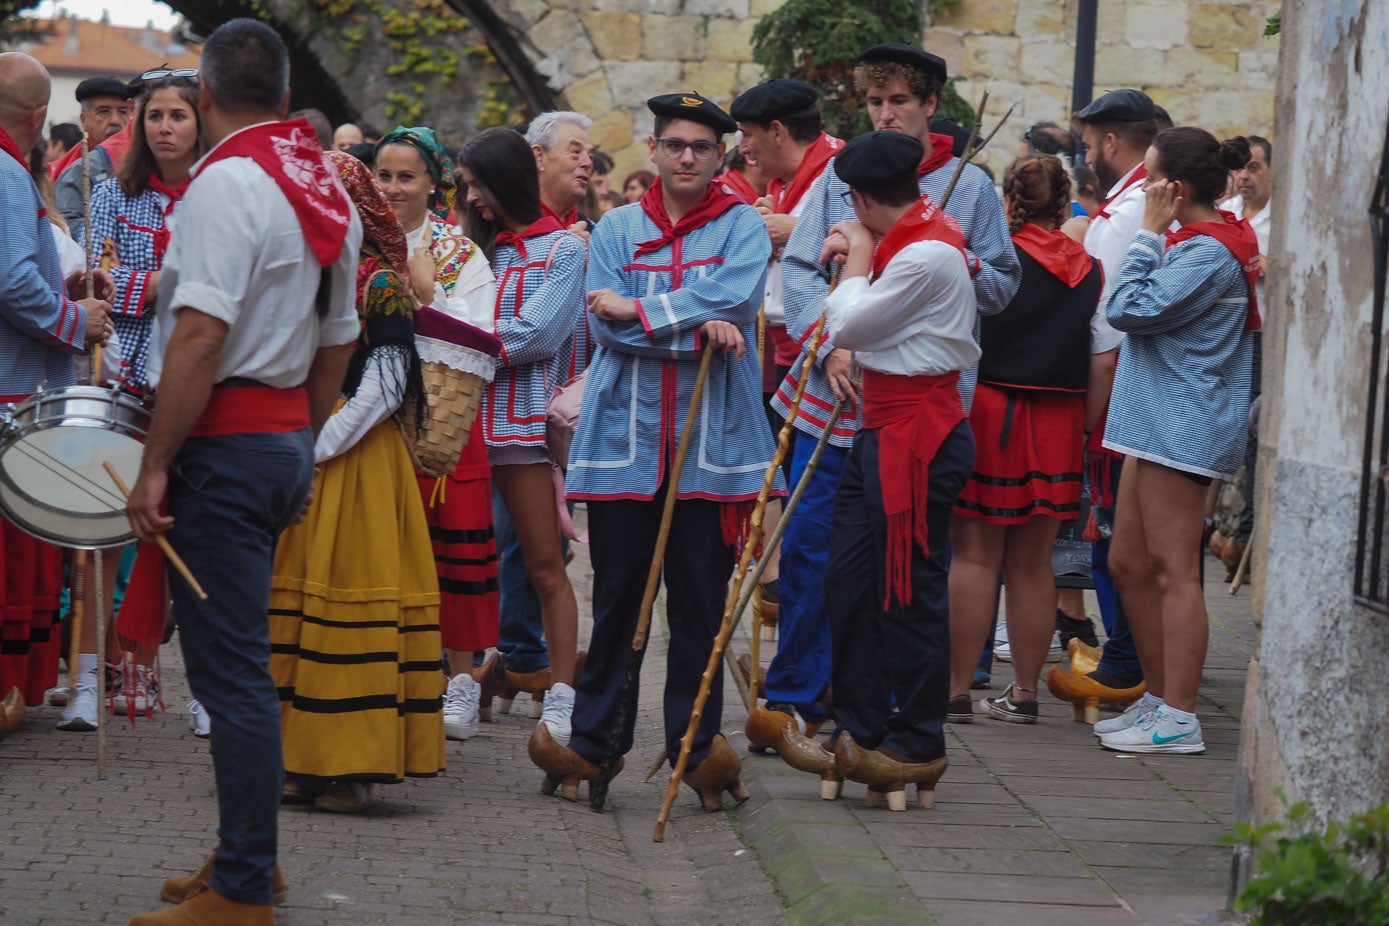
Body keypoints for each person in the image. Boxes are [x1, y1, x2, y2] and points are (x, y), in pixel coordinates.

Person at [123, 19, 362, 925]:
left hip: (224, 443)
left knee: (230, 678)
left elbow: (199, 334)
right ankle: (241, 858)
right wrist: (299, 440)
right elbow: (338, 340)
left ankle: (243, 887)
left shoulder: (228, 183)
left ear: (210, 96)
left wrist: (155, 466)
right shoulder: (317, 178)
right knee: (239, 664)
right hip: (277, 436)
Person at [529, 92, 775, 808]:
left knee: (699, 608)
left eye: (702, 146)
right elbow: (601, 327)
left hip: (711, 446)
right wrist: (693, 326)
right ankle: (595, 743)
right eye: (676, 144)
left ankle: (693, 746)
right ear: (653, 148)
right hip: (624, 444)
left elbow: (730, 298)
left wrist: (639, 308)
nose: (688, 157)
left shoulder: (741, 229)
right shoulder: (614, 229)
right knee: (617, 605)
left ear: (720, 154)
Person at [772, 42, 1019, 744]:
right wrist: (831, 345)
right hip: (838, 389)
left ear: (929, 105)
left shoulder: (964, 189)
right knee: (821, 554)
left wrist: (948, 261)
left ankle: (907, 722)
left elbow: (999, 286)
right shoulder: (843, 174)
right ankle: (809, 697)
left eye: (898, 102)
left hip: (920, 404)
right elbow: (801, 269)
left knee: (903, 575)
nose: (884, 114)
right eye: (874, 102)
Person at [782, 130, 976, 810]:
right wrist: (860, 265)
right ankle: (862, 726)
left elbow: (847, 331)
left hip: (917, 434)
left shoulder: (927, 253)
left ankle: (918, 738)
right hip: (877, 429)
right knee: (849, 583)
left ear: (860, 199)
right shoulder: (910, 242)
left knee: (908, 589)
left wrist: (856, 259)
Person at [271, 150, 443, 813]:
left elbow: (389, 381)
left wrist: (317, 445)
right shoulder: (297, 275)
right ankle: (293, 757)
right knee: (292, 601)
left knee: (348, 599)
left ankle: (349, 765)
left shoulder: (381, 282)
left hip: (357, 456)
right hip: (301, 443)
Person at [1098, 128, 1259, 756]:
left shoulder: (1209, 252)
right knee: (1127, 564)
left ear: (1176, 189)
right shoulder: (1196, 241)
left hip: (1183, 427)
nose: (1140, 188)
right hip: (1154, 424)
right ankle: (1160, 700)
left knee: (1172, 571)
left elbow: (1129, 308)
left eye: (1150, 177)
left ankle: (1180, 716)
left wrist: (1143, 234)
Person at [945, 155, 1115, 724]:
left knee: (973, 556)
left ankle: (954, 691)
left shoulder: (994, 262)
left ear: (1009, 204)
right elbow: (1102, 360)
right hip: (1059, 419)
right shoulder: (1091, 269)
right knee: (1033, 563)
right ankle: (1023, 693)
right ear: (1064, 202)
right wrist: (1087, 430)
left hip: (990, 408)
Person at [73, 71, 205, 724]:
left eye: (178, 115)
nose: (165, 127)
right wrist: (152, 285)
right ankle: (96, 677)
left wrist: (156, 283)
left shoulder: (217, 195)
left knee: (189, 529)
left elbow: (219, 289)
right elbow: (100, 281)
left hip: (197, 377)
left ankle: (198, 686)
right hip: (124, 371)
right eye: (155, 116)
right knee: (108, 524)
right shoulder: (113, 193)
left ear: (198, 122)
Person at [457, 126, 586, 747]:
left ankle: (561, 695)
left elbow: (538, 336)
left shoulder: (562, 251)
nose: (474, 197)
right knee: (459, 565)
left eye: (479, 184)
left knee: (543, 563)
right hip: (460, 427)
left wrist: (456, 343)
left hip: (522, 427)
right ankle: (459, 684)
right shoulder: (471, 249)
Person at [375, 125, 503, 740]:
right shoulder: (356, 241)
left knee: (451, 554)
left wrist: (425, 296)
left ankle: (459, 683)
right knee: (385, 554)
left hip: (440, 424)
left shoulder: (460, 254)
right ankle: (388, 674)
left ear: (433, 183)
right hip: (368, 422)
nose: (393, 187)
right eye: (384, 175)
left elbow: (480, 337)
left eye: (406, 177)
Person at [729, 78, 845, 750]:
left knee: (808, 541)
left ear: (777, 131)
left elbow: (854, 251)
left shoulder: (833, 169)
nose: (744, 153)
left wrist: (791, 232)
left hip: (827, 374)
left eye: (748, 137)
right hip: (788, 371)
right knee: (794, 538)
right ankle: (800, 677)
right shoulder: (798, 174)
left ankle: (805, 686)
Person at [0, 52, 113, 723]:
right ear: (41, 117)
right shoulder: (11, 173)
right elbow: (11, 283)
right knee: (11, 554)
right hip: (10, 390)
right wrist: (77, 318)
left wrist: (58, 291)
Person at [1048, 89, 1162, 716]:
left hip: (1115, 391)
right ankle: (1130, 652)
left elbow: (1106, 321)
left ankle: (1127, 660)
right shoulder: (1130, 204)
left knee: (1116, 537)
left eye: (1089, 144)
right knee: (1116, 537)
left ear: (1112, 142)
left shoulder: (1128, 213)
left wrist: (1088, 411)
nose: (1087, 154)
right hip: (1120, 387)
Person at [1213, 135, 1272, 573]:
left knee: (1253, 434)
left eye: (1255, 168)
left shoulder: (1280, 223)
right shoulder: (1225, 215)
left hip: (1260, 338)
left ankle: (1247, 531)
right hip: (1223, 334)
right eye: (1241, 169)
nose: (1245, 176)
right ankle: (1211, 522)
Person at [54, 76, 133, 242]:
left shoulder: (145, 161)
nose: (115, 120)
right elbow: (68, 225)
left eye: (122, 112)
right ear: (83, 121)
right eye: (104, 112)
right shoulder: (76, 170)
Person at [527, 110, 594, 234]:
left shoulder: (596, 234)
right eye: (575, 152)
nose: (587, 163)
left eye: (591, 156)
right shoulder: (508, 227)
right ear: (539, 157)